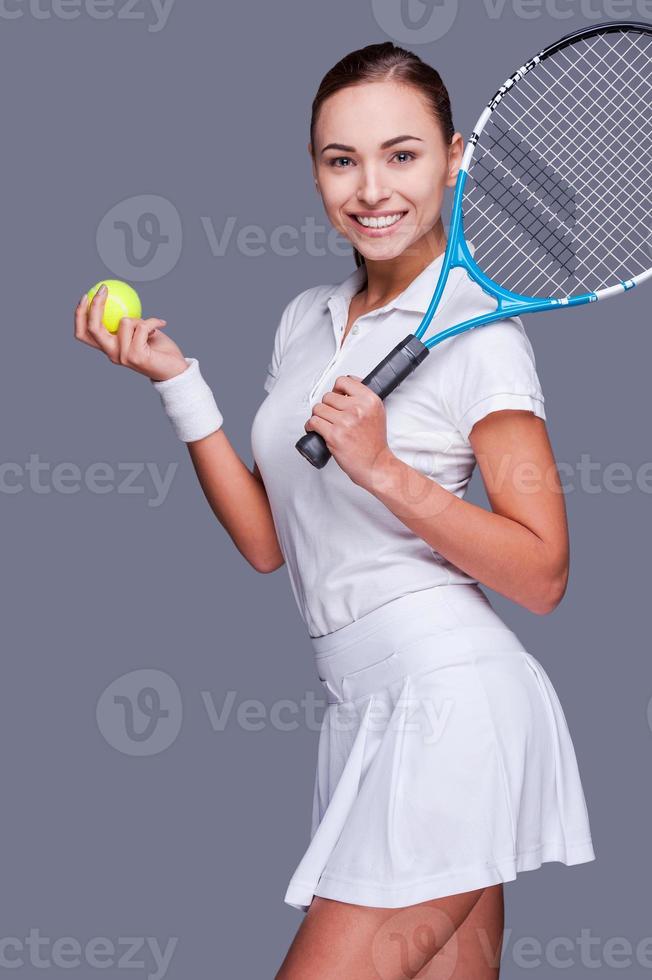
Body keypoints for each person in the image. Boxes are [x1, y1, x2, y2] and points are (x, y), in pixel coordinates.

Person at [74, 40, 595, 980]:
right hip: (359, 706)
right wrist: (179, 384)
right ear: (315, 170)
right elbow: (272, 543)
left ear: (455, 158)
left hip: (451, 704)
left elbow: (543, 573)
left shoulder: (484, 334)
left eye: (402, 154)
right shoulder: (307, 318)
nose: (371, 188)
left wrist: (386, 470)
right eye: (340, 159)